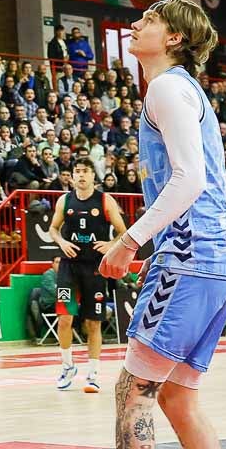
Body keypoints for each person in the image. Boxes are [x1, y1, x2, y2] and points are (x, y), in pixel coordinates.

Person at [99, 0, 226, 449]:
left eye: (150, 19)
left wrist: (128, 240)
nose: (136, 23)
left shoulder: (166, 88)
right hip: (219, 259)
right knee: (178, 398)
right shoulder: (184, 91)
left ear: (175, 37)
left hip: (190, 256)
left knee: (133, 392)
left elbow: (189, 179)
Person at [50, 156, 128, 393]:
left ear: (94, 176)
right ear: (72, 177)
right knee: (64, 318)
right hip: (69, 267)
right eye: (77, 171)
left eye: (85, 171)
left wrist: (111, 244)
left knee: (93, 323)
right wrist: (61, 242)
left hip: (94, 268)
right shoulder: (65, 201)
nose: (81, 175)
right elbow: (53, 229)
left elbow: (124, 232)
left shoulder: (105, 201)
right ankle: (67, 366)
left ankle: (92, 374)